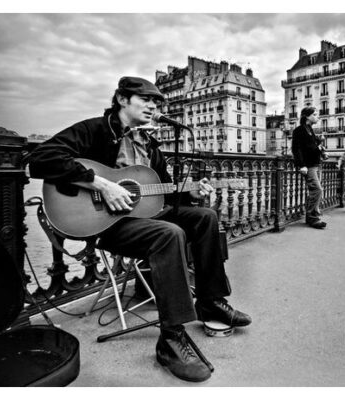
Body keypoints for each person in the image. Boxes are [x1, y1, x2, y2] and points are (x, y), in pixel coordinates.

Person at [28, 76, 251, 382]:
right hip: (108, 225)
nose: (153, 106)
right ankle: (171, 338)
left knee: (204, 217)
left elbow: (158, 191)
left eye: (157, 102)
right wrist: (102, 184)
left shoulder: (150, 144)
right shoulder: (95, 130)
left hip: (144, 219)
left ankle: (210, 302)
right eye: (146, 100)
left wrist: (190, 193)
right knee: (169, 234)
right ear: (122, 99)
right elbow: (40, 158)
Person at [291, 106, 327, 229]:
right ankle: (313, 218)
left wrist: (321, 149)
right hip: (309, 166)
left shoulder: (310, 130)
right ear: (307, 116)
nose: (318, 117)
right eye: (315, 114)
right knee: (317, 190)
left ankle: (310, 217)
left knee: (314, 191)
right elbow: (296, 149)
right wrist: (301, 165)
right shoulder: (299, 130)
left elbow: (311, 147)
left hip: (315, 164)